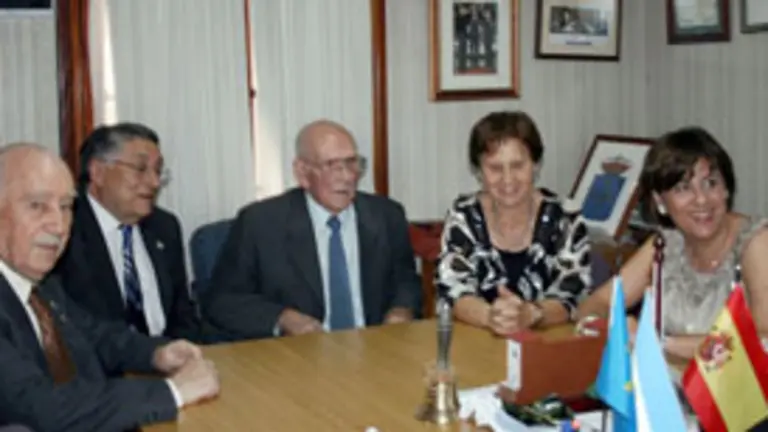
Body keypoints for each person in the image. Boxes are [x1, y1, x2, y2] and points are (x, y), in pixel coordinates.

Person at [0, 143, 219, 431]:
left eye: (65, 207)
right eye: (37, 205)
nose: (59, 226)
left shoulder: (41, 286)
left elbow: (96, 336)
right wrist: (173, 391)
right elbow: (39, 407)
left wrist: (157, 354)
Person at [204, 119, 421, 339]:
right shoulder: (261, 223)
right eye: (332, 165)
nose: (347, 176)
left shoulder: (386, 216)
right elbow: (222, 301)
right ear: (302, 172)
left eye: (352, 163)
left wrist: (401, 311)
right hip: (298, 350)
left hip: (373, 345)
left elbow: (406, 281)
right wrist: (282, 318)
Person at [577, 127, 768, 360]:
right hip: (673, 377)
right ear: (660, 201)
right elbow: (597, 302)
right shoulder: (665, 244)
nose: (701, 199)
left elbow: (762, 341)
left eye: (711, 183)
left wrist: (660, 343)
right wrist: (613, 327)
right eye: (683, 188)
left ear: (726, 189)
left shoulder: (756, 242)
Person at [435, 111, 592, 336]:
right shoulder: (463, 216)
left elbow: (573, 296)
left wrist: (531, 315)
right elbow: (452, 291)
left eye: (518, 166)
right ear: (478, 171)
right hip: (479, 342)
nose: (508, 179)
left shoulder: (566, 217)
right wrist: (491, 316)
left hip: (548, 344)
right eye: (495, 168)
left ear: (536, 165)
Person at [53, 123, 199, 341]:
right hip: (100, 358)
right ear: (98, 173)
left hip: (167, 353)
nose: (154, 182)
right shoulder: (65, 229)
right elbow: (68, 329)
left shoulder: (164, 227)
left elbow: (182, 314)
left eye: (158, 171)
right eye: (140, 169)